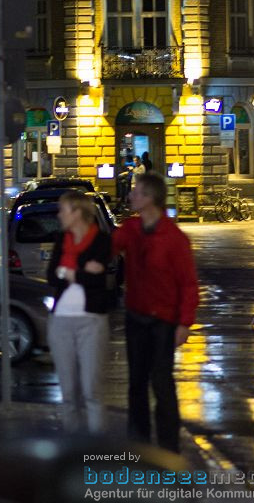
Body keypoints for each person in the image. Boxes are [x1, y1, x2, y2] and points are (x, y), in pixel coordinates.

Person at [112, 171, 199, 453]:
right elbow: (108, 248)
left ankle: (168, 448)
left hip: (163, 319)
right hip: (136, 315)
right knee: (136, 382)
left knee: (161, 383)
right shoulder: (131, 229)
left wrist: (184, 324)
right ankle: (138, 445)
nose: (130, 196)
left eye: (136, 192)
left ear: (150, 198)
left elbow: (188, 283)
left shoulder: (173, 238)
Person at [46, 192, 111, 432]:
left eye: (63, 210)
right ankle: (72, 451)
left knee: (91, 390)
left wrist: (69, 272)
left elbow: (98, 282)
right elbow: (52, 275)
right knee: (68, 393)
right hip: (60, 321)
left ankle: (95, 451)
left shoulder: (101, 240)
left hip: (91, 321)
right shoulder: (62, 239)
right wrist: (82, 272)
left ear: (76, 212)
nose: (59, 215)